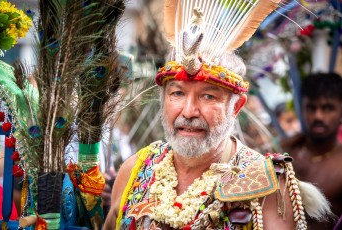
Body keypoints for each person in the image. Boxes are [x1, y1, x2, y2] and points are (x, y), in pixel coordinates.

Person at [104, 1, 331, 229]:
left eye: (208, 97)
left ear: (236, 107)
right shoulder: (135, 169)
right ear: (163, 100)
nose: (189, 111)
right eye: (177, 93)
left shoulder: (267, 187)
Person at [281, 72, 342, 229]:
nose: (318, 116)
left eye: (328, 108)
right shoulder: (284, 152)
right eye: (311, 108)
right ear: (302, 109)